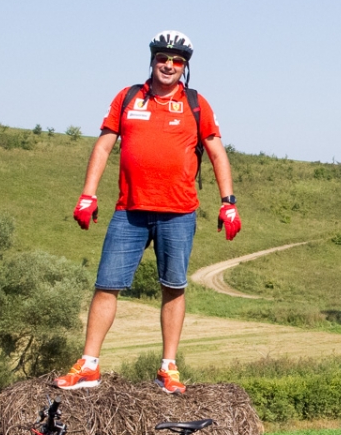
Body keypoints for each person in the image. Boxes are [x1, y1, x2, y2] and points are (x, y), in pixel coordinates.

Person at [55, 31, 241, 394]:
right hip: (130, 211)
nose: (169, 65)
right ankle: (89, 364)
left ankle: (168, 368)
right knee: (106, 285)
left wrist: (228, 202)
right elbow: (104, 146)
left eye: (177, 61)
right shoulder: (128, 98)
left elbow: (217, 153)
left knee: (173, 287)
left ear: (184, 66)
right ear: (152, 59)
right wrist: (87, 195)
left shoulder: (195, 103)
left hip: (178, 212)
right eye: (162, 58)